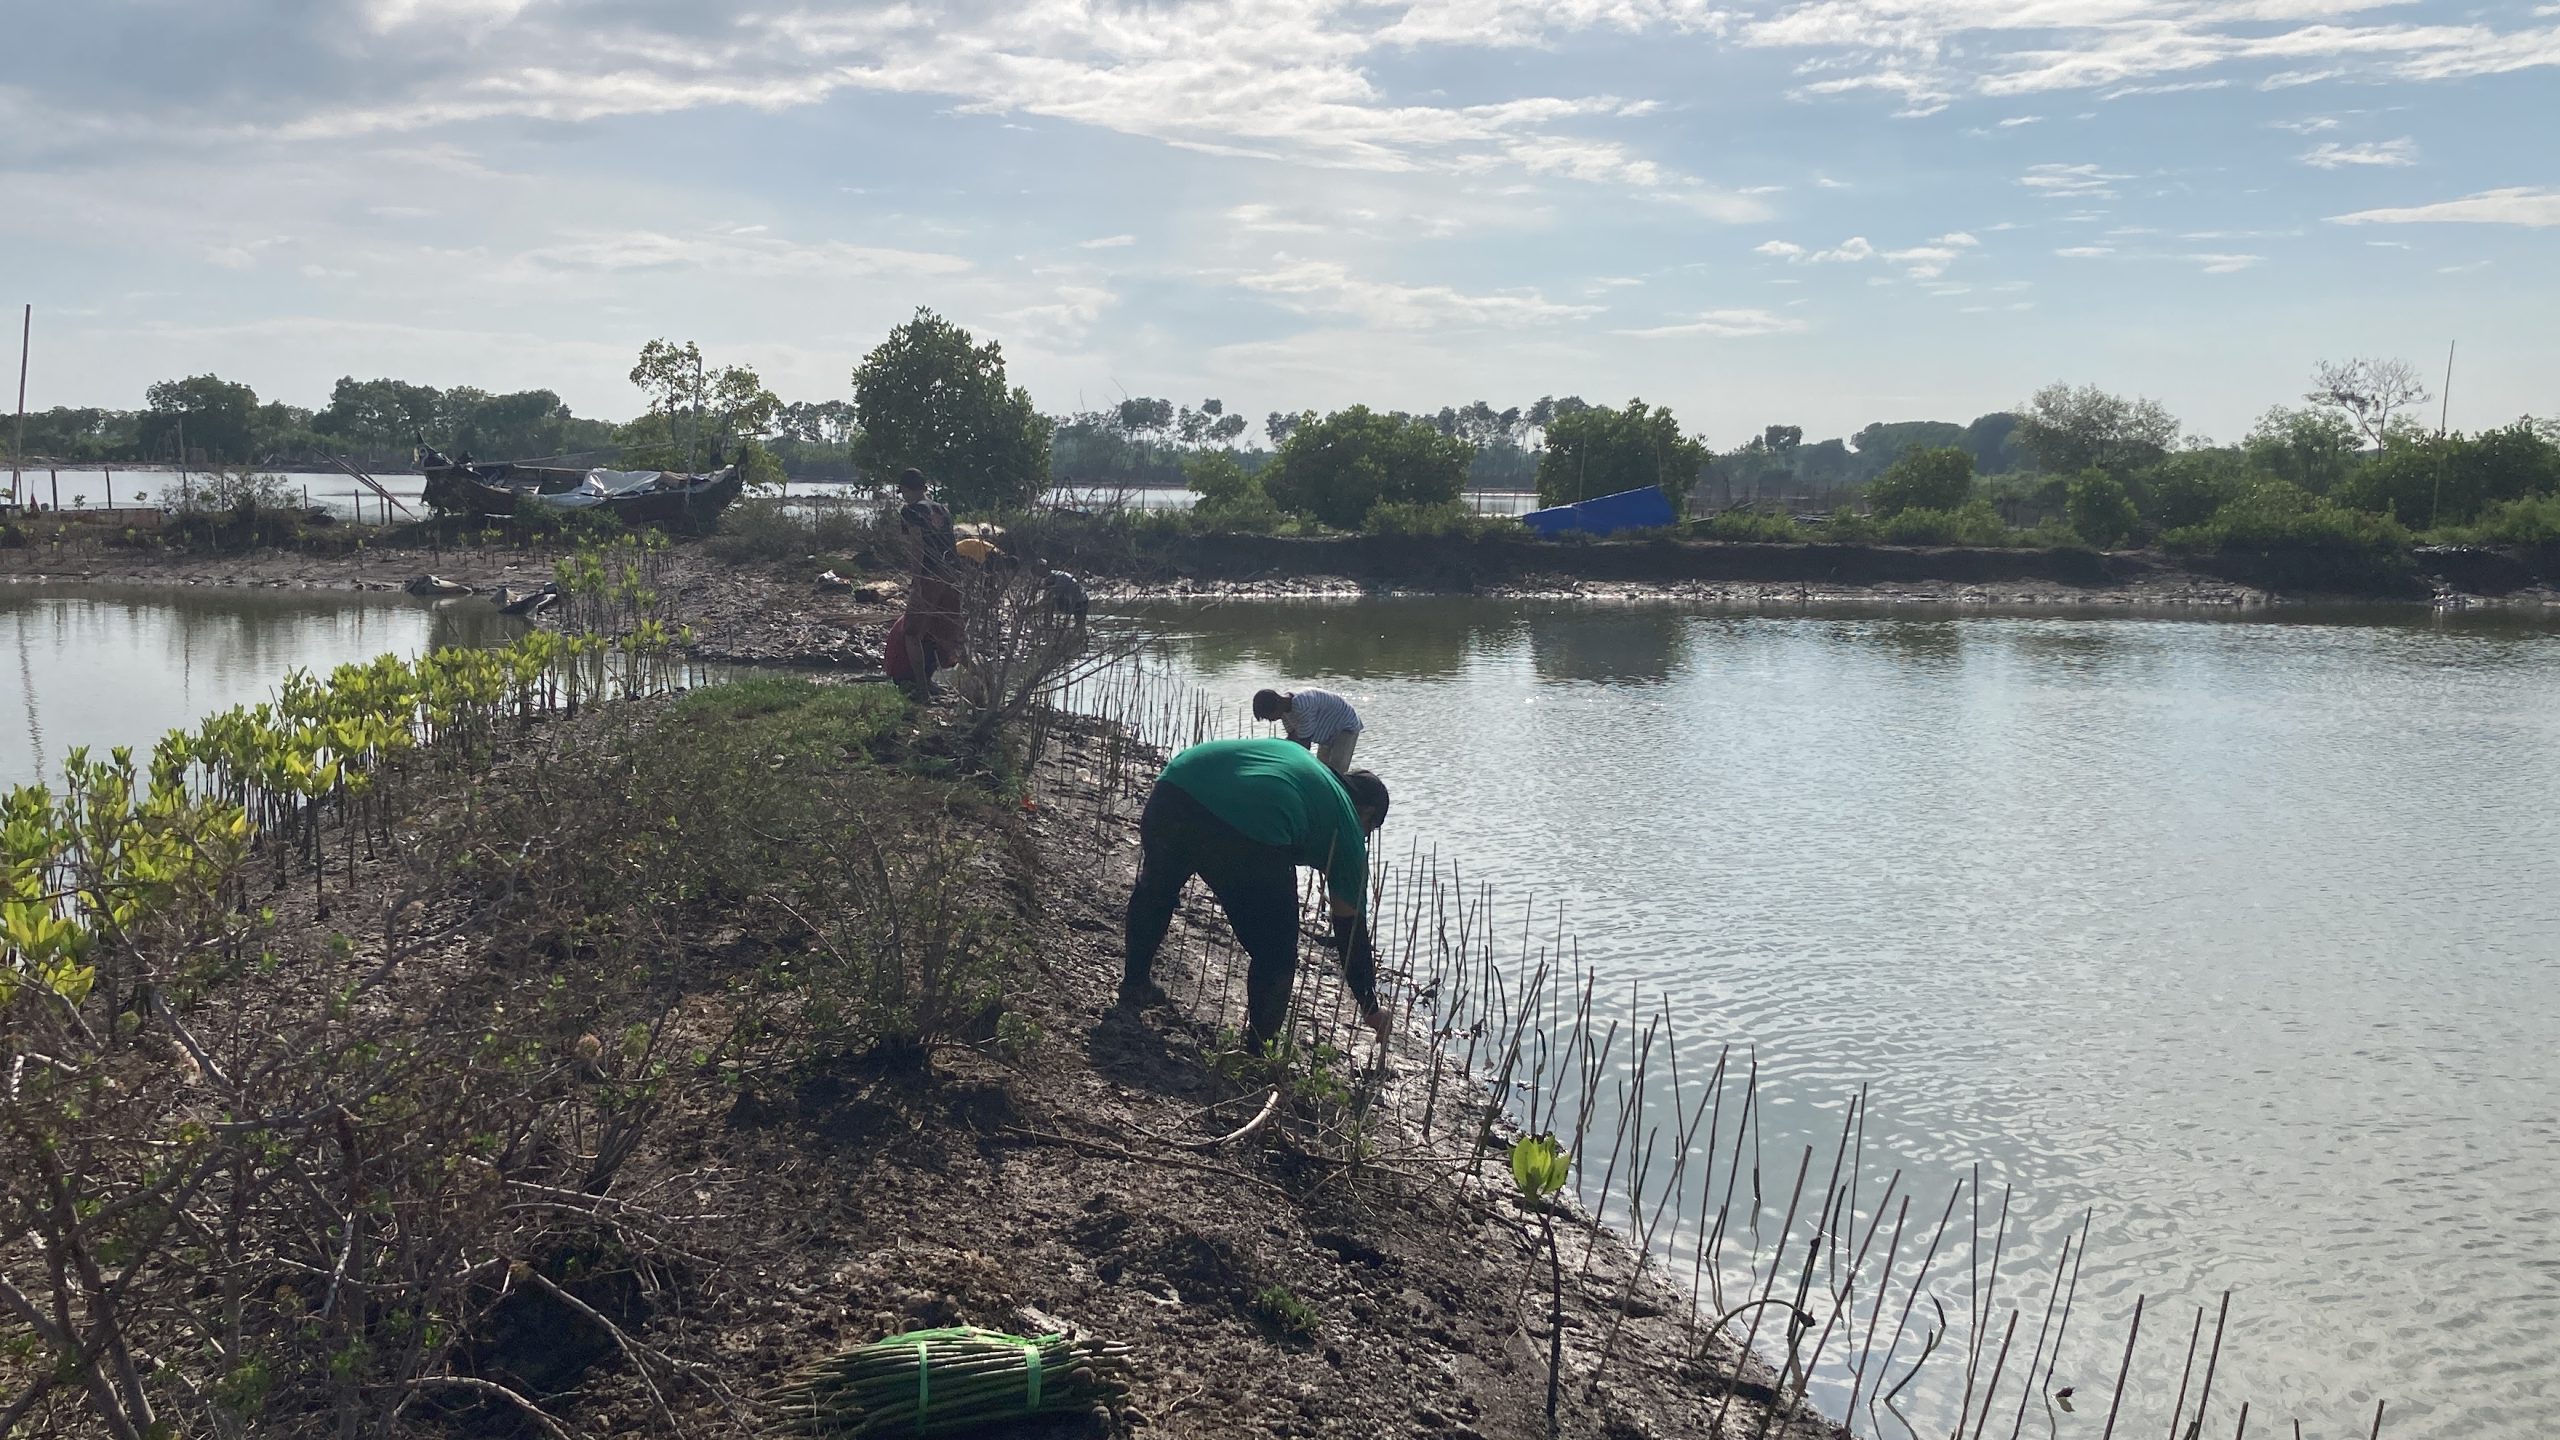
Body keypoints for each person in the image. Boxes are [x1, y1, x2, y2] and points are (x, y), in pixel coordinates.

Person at [1122, 738, 1391, 1054]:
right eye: (1370, 830)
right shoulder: (1347, 825)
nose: (1365, 838)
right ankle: (1258, 1054)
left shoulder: (1302, 761)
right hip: (1247, 831)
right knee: (1276, 952)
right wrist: (1370, 1006)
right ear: (1368, 814)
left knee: (1157, 891)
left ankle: (1134, 983)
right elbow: (1350, 931)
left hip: (1173, 789)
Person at [895, 469, 965, 697]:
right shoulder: (942, 509)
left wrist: (916, 579)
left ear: (906, 489)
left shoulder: (910, 511)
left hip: (930, 575)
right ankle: (984, 679)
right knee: (947, 634)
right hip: (952, 575)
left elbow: (917, 547)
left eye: (902, 491)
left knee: (912, 633)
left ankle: (922, 689)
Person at [1252, 687, 1363, 774]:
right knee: (1323, 770)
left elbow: (1304, 745)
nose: (1271, 720)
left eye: (1269, 716)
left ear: (1278, 703)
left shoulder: (1302, 705)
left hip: (1346, 726)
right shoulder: (1285, 711)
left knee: (1337, 772)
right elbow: (1293, 738)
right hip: (1327, 733)